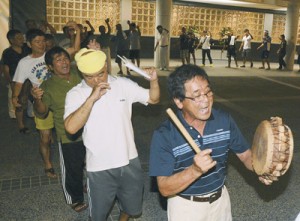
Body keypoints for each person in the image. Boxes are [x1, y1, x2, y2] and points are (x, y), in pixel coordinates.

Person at [149, 64, 269, 221]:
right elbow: (164, 187)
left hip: (220, 201)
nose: (205, 100)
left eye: (208, 92)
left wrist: (262, 169)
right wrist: (195, 170)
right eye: (197, 95)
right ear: (179, 101)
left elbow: (245, 155)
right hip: (186, 207)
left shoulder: (224, 120)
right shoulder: (164, 135)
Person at [63, 48, 160, 221]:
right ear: (81, 74)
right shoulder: (75, 94)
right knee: (98, 215)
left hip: (129, 159)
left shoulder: (122, 84)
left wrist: (153, 81)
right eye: (89, 76)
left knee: (132, 207)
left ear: (107, 67)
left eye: (100, 74)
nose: (96, 80)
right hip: (99, 165)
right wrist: (92, 98)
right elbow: (70, 128)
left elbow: (153, 99)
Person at [31, 46, 87, 212]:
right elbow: (41, 113)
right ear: (50, 67)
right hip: (68, 134)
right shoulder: (47, 86)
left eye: (65, 58)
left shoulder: (79, 74)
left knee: (91, 162)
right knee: (72, 168)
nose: (64, 62)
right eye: (58, 60)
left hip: (90, 130)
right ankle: (74, 198)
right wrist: (37, 99)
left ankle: (86, 185)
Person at [12, 28, 56, 178]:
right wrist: (14, 97)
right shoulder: (24, 63)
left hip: (60, 98)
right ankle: (48, 165)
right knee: (45, 137)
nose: (41, 44)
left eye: (43, 41)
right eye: (37, 42)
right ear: (29, 44)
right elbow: (18, 83)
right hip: (41, 101)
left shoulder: (52, 55)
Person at [1, 29, 31, 124]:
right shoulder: (7, 52)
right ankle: (13, 114)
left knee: (28, 95)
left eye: (22, 37)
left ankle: (30, 112)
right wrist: (10, 82)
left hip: (28, 77)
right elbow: (6, 68)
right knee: (13, 95)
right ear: (11, 40)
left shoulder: (27, 48)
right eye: (18, 38)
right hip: (15, 78)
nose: (22, 40)